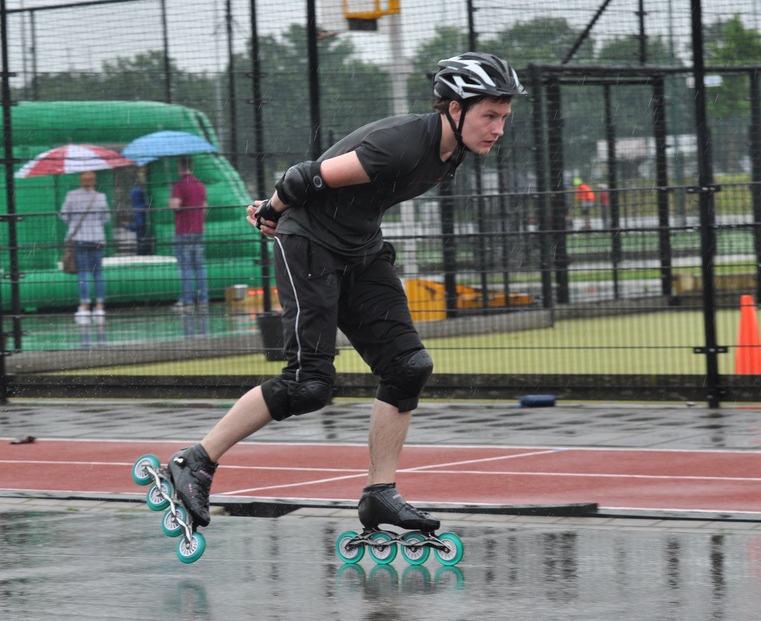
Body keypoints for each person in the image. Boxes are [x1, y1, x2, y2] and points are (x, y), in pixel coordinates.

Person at [163, 53, 525, 534]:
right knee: (307, 385)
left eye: (504, 117)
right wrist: (270, 212)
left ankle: (380, 495)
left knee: (408, 367)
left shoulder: (454, 149)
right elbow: (304, 176)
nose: (498, 128)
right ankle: (195, 460)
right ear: (454, 109)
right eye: (490, 115)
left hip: (361, 251)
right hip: (310, 246)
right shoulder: (400, 145)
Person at [60, 171, 110, 323]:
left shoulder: (71, 196)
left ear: (80, 180)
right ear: (94, 181)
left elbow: (64, 217)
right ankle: (100, 308)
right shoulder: (101, 197)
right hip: (97, 239)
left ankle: (84, 308)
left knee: (83, 274)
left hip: (80, 239)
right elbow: (106, 219)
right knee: (97, 274)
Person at [169, 155, 207, 310]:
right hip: (198, 230)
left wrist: (171, 202)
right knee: (199, 266)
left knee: (185, 267)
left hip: (183, 230)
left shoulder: (179, 185)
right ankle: (203, 299)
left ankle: (187, 300)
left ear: (179, 167)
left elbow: (176, 206)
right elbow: (204, 209)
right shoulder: (200, 185)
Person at [125, 170, 153, 256]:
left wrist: (128, 226)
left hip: (142, 241)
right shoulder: (145, 206)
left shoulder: (138, 209)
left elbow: (140, 225)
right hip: (148, 239)